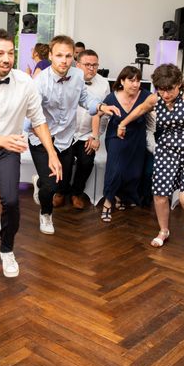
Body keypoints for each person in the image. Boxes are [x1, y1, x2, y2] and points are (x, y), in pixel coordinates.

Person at [0, 28, 61, 278]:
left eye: (11, 53)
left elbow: (38, 120)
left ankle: (7, 250)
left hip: (7, 153)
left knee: (12, 201)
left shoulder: (25, 82)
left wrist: (51, 152)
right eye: (0, 53)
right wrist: (3, 140)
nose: (7, 58)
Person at [117, 63, 184, 247]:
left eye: (170, 90)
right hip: (168, 148)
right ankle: (163, 230)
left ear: (179, 83)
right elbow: (141, 109)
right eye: (161, 90)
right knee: (159, 194)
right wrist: (122, 123)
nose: (165, 95)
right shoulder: (156, 99)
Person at [29, 35, 120, 234]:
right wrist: (29, 139)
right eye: (59, 55)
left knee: (61, 179)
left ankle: (42, 183)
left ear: (73, 57)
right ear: (50, 56)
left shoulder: (77, 76)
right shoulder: (40, 83)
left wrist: (101, 106)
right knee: (52, 185)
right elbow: (32, 118)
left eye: (68, 56)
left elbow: (85, 98)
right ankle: (46, 213)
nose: (64, 60)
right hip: (42, 140)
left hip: (66, 139)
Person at [61, 49, 110, 210]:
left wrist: (95, 136)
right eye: (87, 65)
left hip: (87, 134)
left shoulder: (103, 84)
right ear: (77, 64)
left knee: (86, 161)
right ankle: (60, 192)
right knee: (65, 164)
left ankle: (76, 193)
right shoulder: (65, 78)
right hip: (66, 132)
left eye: (95, 65)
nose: (91, 68)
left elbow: (104, 115)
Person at [100, 66, 151, 221]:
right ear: (122, 81)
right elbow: (98, 115)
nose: (135, 84)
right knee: (115, 169)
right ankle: (108, 203)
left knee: (134, 172)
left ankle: (121, 195)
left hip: (137, 138)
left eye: (137, 80)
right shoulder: (111, 97)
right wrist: (95, 137)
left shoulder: (146, 96)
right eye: (131, 80)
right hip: (116, 137)